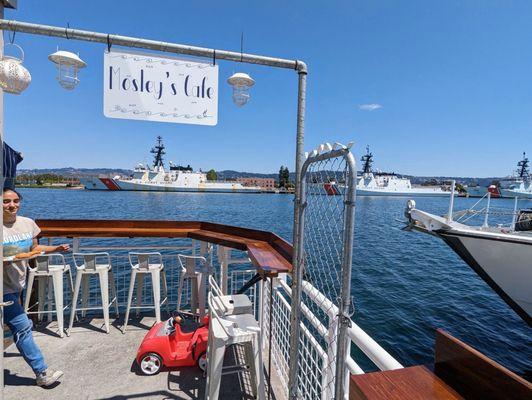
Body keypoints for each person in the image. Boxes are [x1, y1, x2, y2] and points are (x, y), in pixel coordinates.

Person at [3, 188, 70, 387]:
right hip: (2, 288)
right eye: (6, 202)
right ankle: (42, 373)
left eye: (15, 200)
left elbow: (34, 249)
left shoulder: (28, 223)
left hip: (16, 283)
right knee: (23, 326)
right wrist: (11, 258)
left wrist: (56, 249)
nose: (12, 205)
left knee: (13, 328)